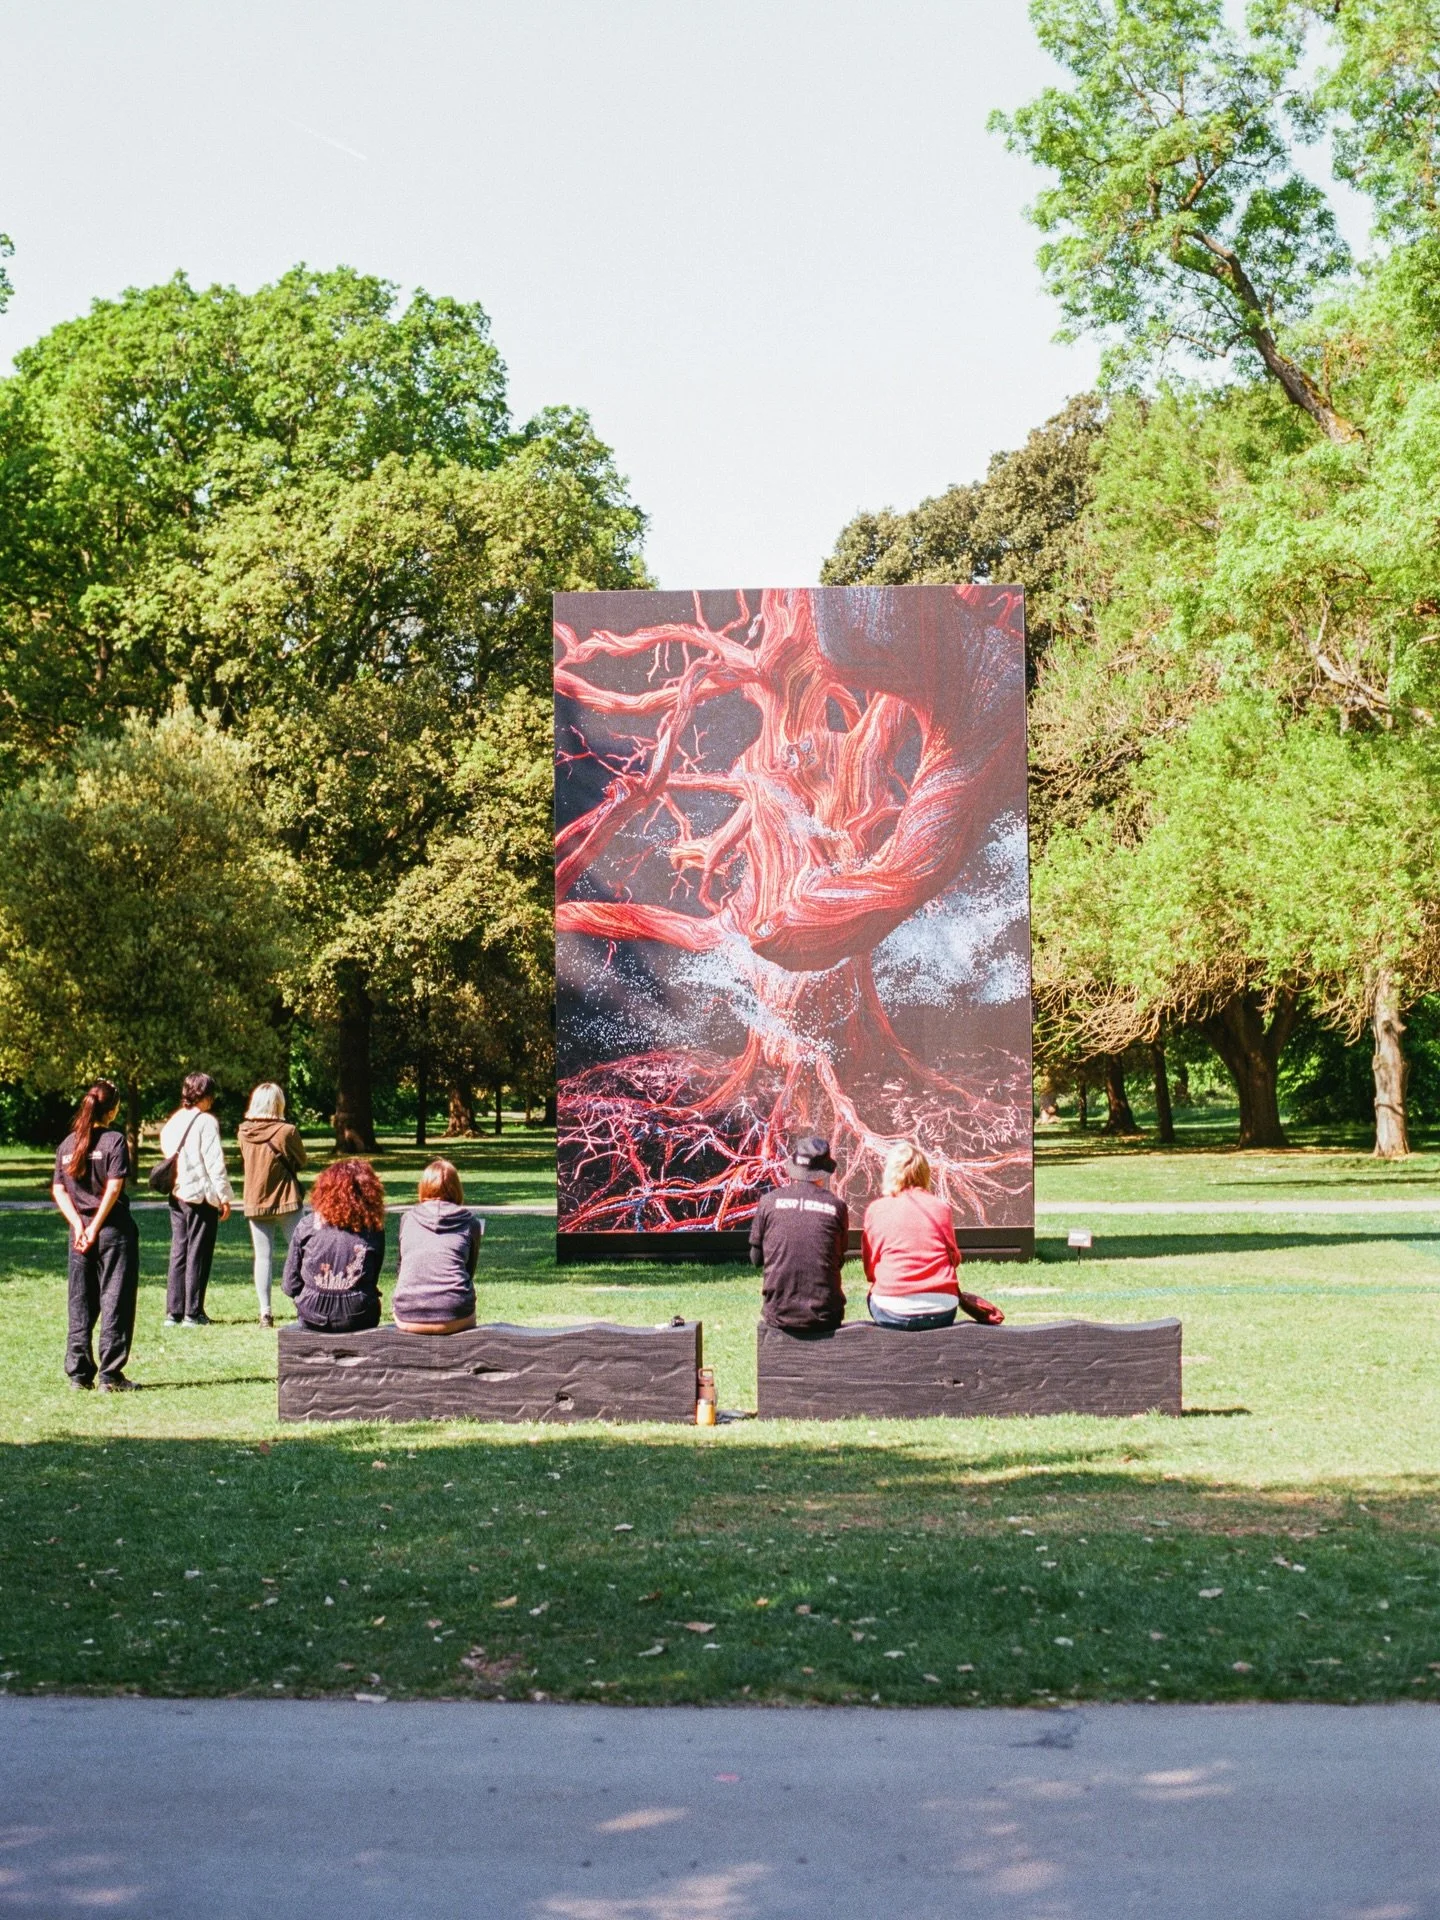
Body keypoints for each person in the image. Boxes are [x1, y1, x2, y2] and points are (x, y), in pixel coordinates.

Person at [52, 1079, 140, 1391]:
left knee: (80, 1302)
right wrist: (94, 1225)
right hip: (112, 1233)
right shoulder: (115, 1141)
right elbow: (114, 1188)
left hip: (79, 1237)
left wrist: (78, 1225)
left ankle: (79, 1374)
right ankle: (110, 1376)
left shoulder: (68, 1144)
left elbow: (59, 1189)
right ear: (112, 1109)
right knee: (115, 1300)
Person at [861, 1141, 1004, 1330]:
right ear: (925, 1173)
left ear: (889, 1173)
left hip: (891, 1310)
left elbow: (870, 1268)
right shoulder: (941, 1208)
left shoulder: (877, 1209)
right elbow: (954, 1259)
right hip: (941, 1309)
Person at [748, 1133, 848, 1333]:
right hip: (825, 1315)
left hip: (779, 1314)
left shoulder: (768, 1202)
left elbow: (755, 1259)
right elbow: (838, 1260)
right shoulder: (837, 1206)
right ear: (824, 1172)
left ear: (794, 1168)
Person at [159, 1072, 233, 1328]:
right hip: (200, 1195)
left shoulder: (175, 1120)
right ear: (205, 1095)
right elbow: (214, 1162)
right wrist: (224, 1196)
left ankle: (174, 1311)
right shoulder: (206, 1121)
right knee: (198, 1253)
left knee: (179, 1251)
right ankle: (193, 1312)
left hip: (177, 1191)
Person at [282, 1158, 386, 1332]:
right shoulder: (373, 1230)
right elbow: (372, 1277)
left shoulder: (307, 1225)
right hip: (358, 1315)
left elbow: (290, 1284)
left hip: (312, 1314)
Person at [238, 1082, 308, 1329]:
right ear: (278, 1103)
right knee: (302, 1254)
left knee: (263, 1257)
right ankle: (305, 1305)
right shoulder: (287, 1131)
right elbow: (301, 1160)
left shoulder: (243, 1132)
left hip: (255, 1199)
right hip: (287, 1198)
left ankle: (265, 1312)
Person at [392, 1158, 482, 1333]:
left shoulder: (408, 1218)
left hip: (408, 1315)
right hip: (457, 1315)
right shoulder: (470, 1222)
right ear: (457, 1188)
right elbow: (469, 1270)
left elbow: (401, 1267)